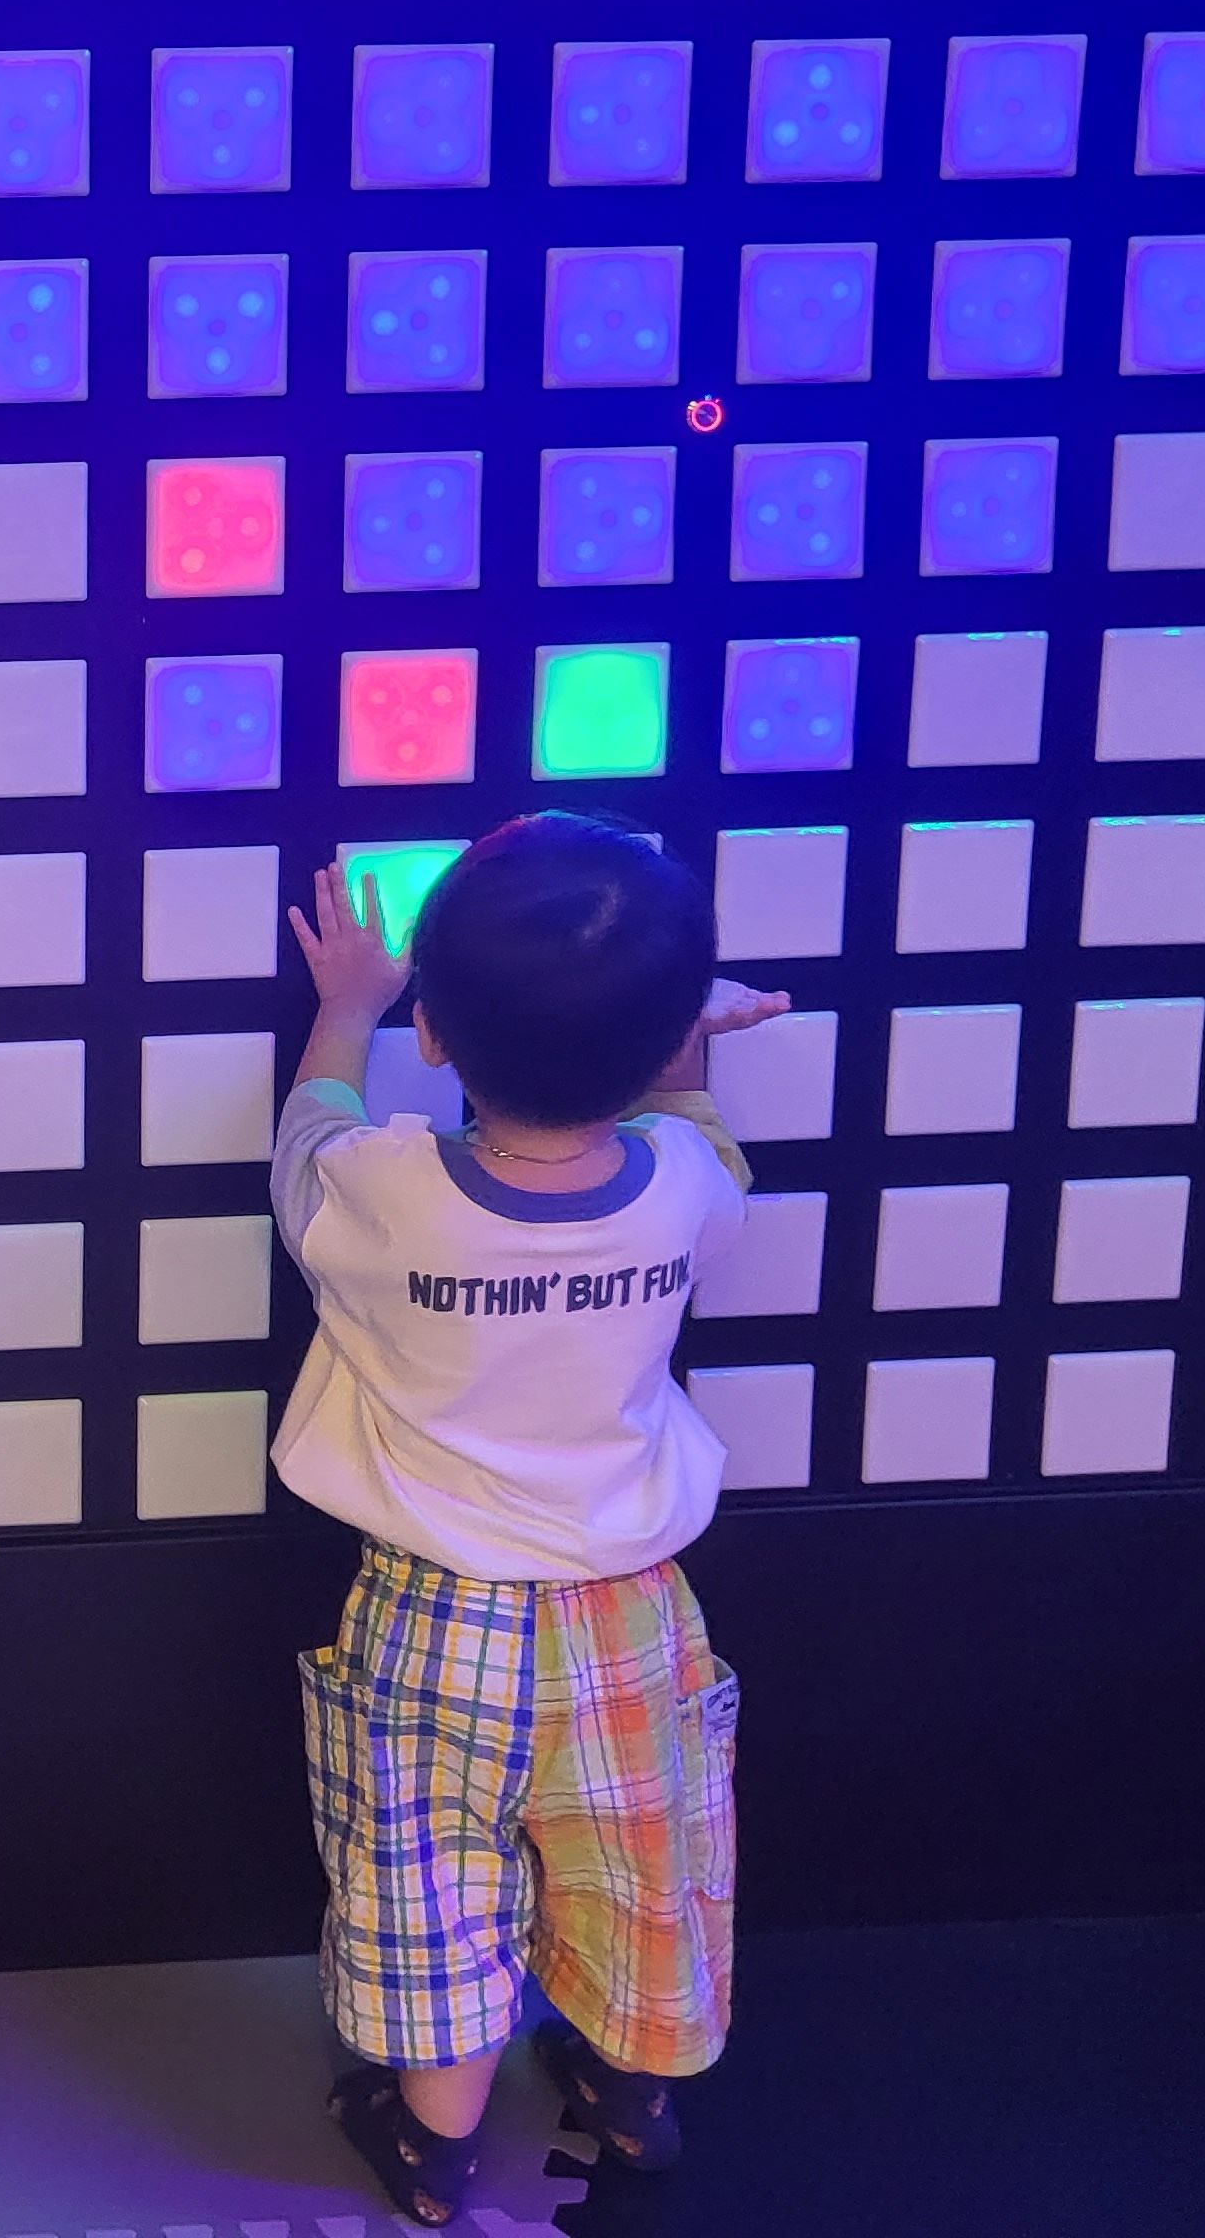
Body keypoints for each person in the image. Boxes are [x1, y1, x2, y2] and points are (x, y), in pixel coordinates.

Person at [273, 812, 792, 2227]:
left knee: (431, 1879)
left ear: (436, 1036)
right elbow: (699, 1141)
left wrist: (348, 1007)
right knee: (638, 1861)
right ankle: (630, 2096)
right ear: (665, 1039)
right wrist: (683, 1053)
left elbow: (305, 1144)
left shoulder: (384, 1193)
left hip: (433, 1613)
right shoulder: (682, 1192)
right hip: (632, 1612)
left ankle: (435, 2146)